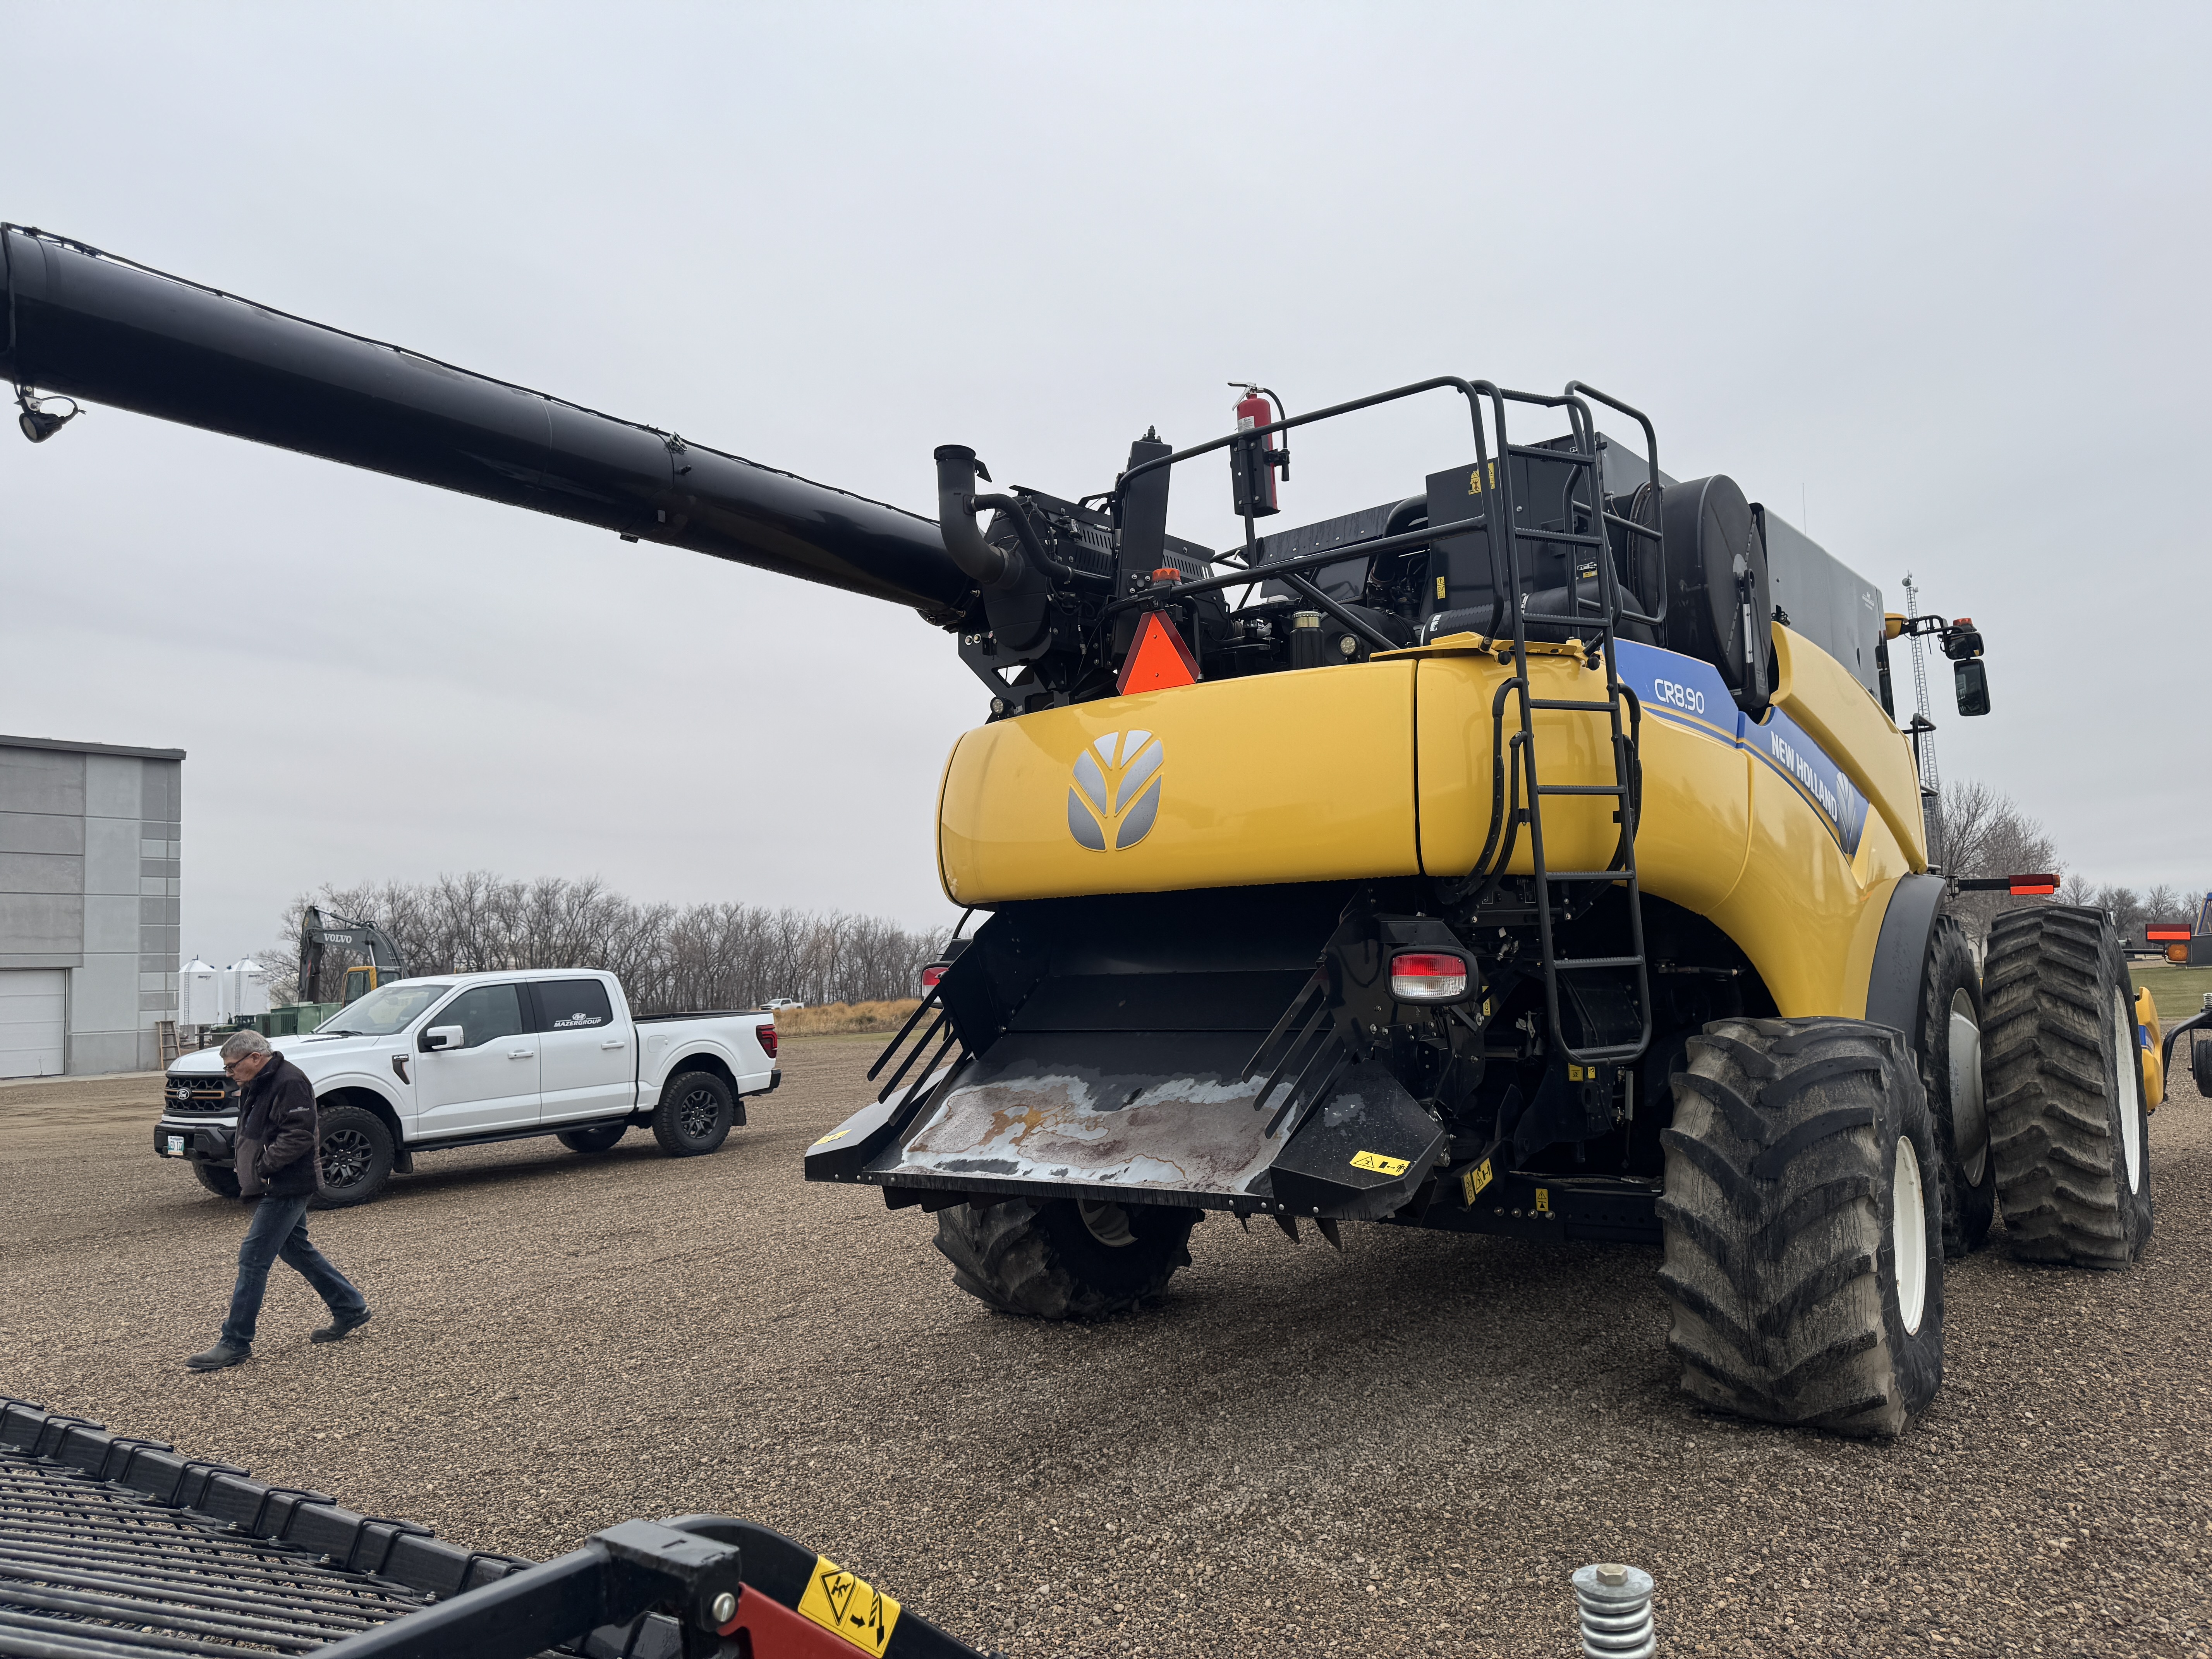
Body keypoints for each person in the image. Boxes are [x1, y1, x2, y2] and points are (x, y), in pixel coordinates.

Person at [186, 1030, 371, 1371]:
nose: (230, 1074)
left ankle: (235, 1342)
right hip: (274, 1183)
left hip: (285, 1184)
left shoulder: (290, 1082)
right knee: (296, 1249)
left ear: (255, 1058)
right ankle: (349, 1307)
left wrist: (264, 1167)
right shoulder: (259, 1082)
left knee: (253, 1259)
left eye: (232, 1067)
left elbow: (299, 1135)